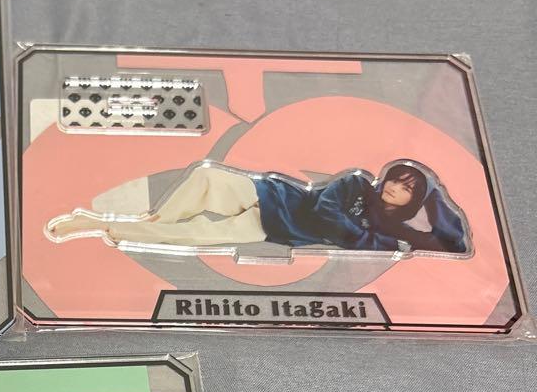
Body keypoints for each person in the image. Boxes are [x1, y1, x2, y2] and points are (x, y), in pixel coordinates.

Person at [46, 160, 471, 257]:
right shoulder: (356, 184)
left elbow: (452, 243)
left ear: (414, 201)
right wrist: (369, 240)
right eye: (397, 178)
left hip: (272, 229)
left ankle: (99, 224)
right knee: (207, 179)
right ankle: (144, 222)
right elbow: (325, 214)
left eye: (408, 189)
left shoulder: (391, 228)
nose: (395, 187)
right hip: (274, 197)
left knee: (194, 236)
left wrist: (433, 194)